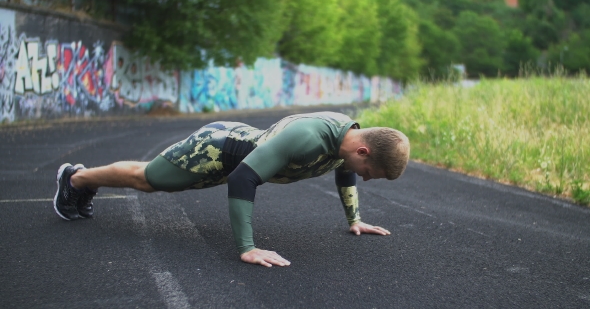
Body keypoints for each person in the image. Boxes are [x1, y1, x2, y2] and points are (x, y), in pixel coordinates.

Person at [53, 111, 410, 267]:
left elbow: (344, 171)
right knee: (147, 180)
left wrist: (355, 218)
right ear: (363, 151)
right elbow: (244, 178)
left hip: (236, 158)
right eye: (369, 172)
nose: (364, 177)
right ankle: (74, 179)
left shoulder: (347, 145)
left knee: (148, 181)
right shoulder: (311, 138)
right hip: (215, 149)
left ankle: (79, 180)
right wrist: (248, 248)